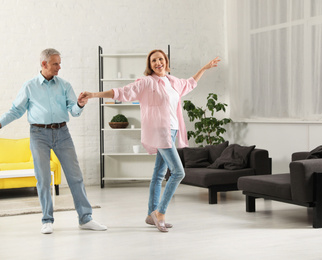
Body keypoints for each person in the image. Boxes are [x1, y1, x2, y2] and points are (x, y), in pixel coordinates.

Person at [82, 49, 220, 232]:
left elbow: (190, 83)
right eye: (154, 60)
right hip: (159, 132)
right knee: (178, 172)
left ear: (166, 61)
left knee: (158, 174)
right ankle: (160, 213)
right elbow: (122, 92)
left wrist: (205, 68)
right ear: (150, 65)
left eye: (160, 59)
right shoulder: (147, 82)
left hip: (172, 131)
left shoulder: (172, 81)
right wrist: (93, 95)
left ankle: (150, 214)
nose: (158, 63)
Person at [0, 48, 107, 234]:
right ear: (44, 64)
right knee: (43, 179)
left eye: (59, 63)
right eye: (55, 63)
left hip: (63, 133)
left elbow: (74, 111)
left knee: (75, 177)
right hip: (39, 134)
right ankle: (47, 220)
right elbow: (16, 110)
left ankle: (85, 218)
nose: (59, 67)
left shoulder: (64, 85)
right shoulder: (29, 86)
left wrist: (79, 104)